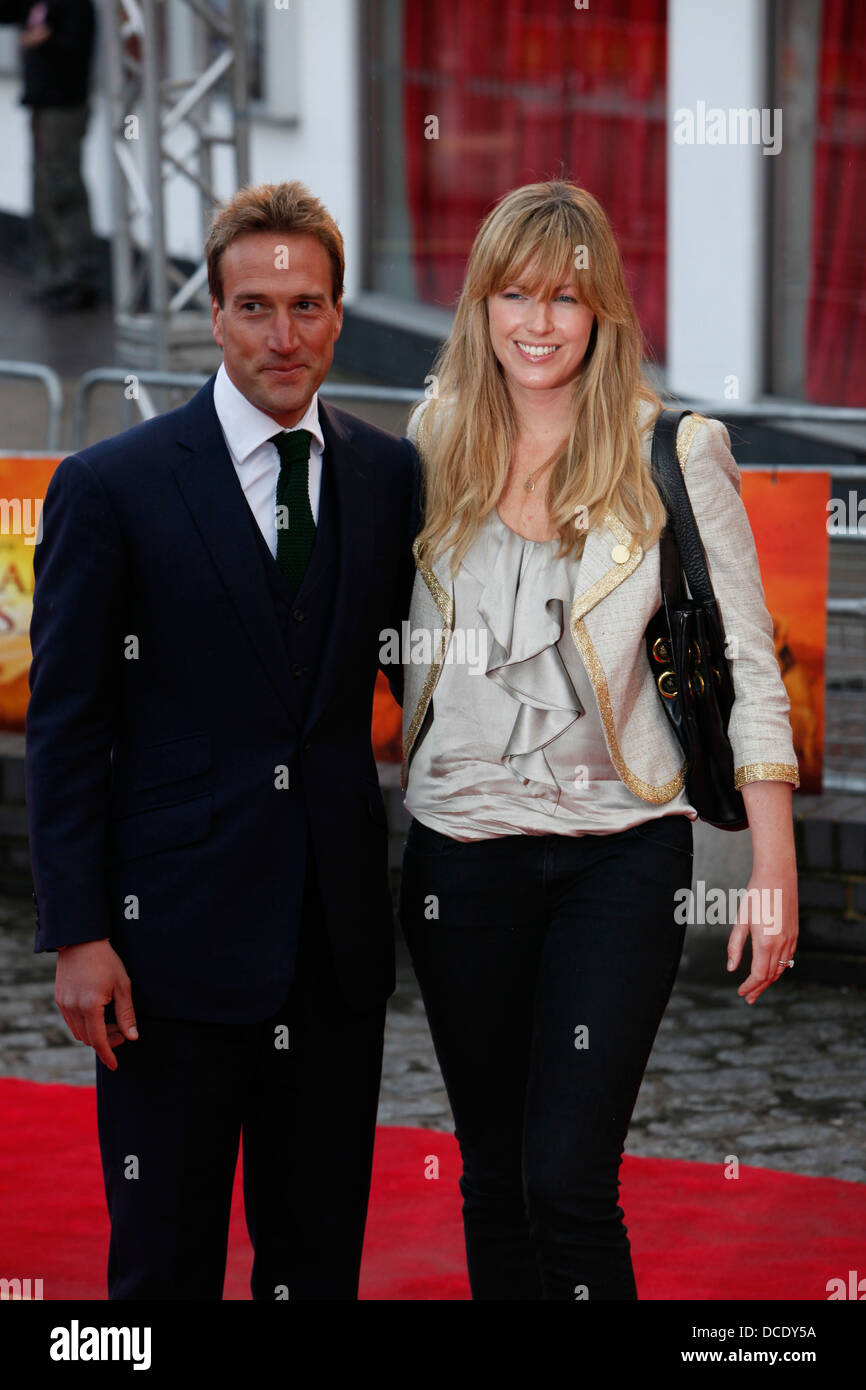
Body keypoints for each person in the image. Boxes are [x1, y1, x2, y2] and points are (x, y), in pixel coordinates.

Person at [398, 180, 799, 1301]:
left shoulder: (674, 450)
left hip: (617, 854)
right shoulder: (432, 443)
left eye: (563, 299)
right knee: (491, 1175)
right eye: (513, 294)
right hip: (459, 855)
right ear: (479, 306)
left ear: (602, 311)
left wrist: (770, 866)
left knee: (567, 1179)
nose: (536, 321)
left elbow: (750, 663)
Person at [26, 180, 420, 1299]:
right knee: (162, 1264)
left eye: (305, 305)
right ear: (213, 314)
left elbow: (423, 679)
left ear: (340, 313)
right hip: (167, 953)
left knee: (314, 1264)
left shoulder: (387, 477)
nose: (281, 334)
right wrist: (79, 932)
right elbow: (67, 724)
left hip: (332, 949)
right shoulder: (113, 486)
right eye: (254, 306)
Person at [0, 0, 100, 311]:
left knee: (63, 189)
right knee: (44, 191)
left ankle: (79, 277)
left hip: (64, 107)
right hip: (41, 105)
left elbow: (73, 49)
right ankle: (55, 275)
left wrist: (43, 40)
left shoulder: (75, 7)